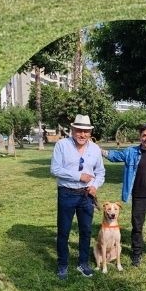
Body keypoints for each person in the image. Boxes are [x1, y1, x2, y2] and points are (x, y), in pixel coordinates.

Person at [49, 113, 105, 280]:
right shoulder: (62, 145)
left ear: (90, 132)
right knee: (64, 231)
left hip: (86, 196)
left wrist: (95, 185)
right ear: (72, 130)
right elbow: (55, 169)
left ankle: (83, 263)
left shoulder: (95, 149)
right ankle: (63, 265)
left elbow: (100, 172)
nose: (82, 134)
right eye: (79, 130)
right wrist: (78, 176)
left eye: (86, 131)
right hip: (67, 193)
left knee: (86, 231)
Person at [104, 123, 146, 266]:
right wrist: (98, 149)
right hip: (139, 197)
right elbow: (114, 156)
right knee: (137, 227)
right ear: (140, 137)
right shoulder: (131, 152)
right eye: (144, 135)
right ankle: (137, 253)